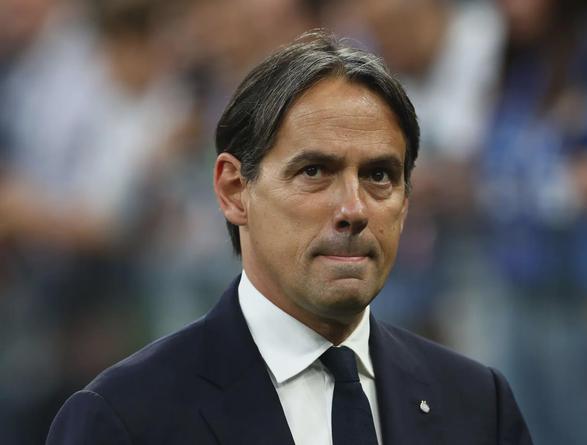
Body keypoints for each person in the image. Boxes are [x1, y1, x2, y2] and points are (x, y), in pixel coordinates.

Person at [46, 31, 532, 445]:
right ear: (234, 191)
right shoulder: (124, 419)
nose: (354, 209)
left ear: (406, 200)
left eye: (379, 175)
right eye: (315, 171)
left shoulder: (478, 406)